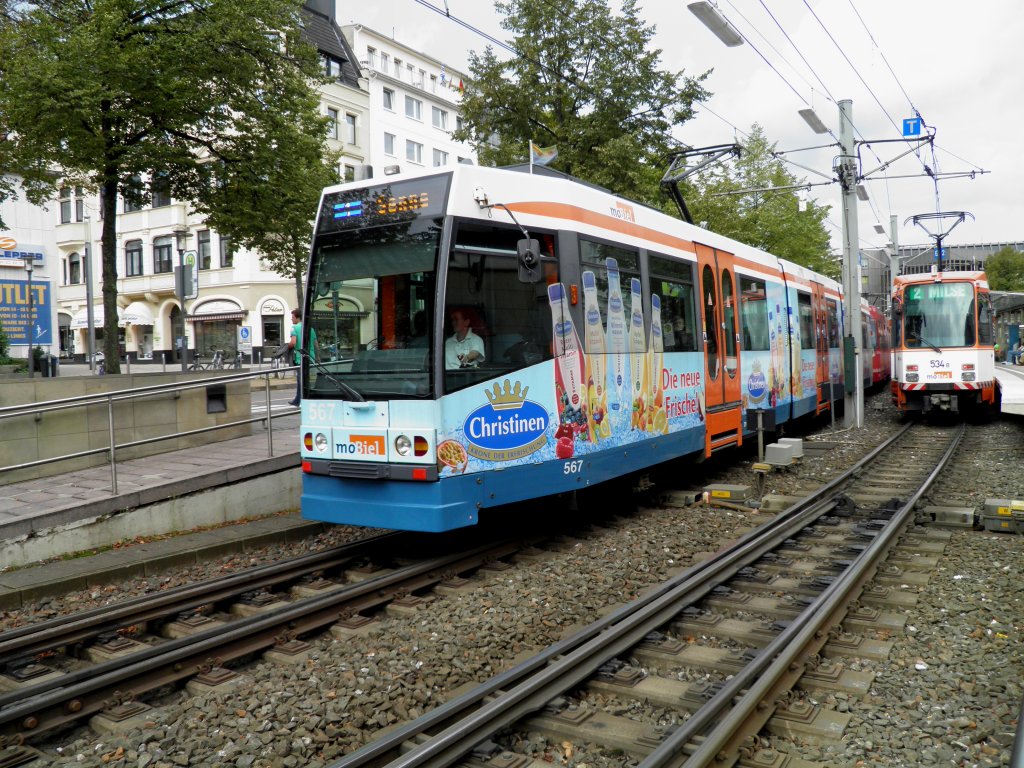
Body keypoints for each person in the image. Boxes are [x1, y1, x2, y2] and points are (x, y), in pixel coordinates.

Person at [287, 308, 316, 406]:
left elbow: (293, 342)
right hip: (311, 358)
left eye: (292, 317)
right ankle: (302, 399)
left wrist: (287, 347)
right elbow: (316, 344)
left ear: (297, 317)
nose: (291, 319)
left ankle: (299, 400)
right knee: (308, 379)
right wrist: (318, 357)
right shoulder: (310, 328)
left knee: (301, 380)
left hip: (300, 358)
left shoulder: (294, 328)